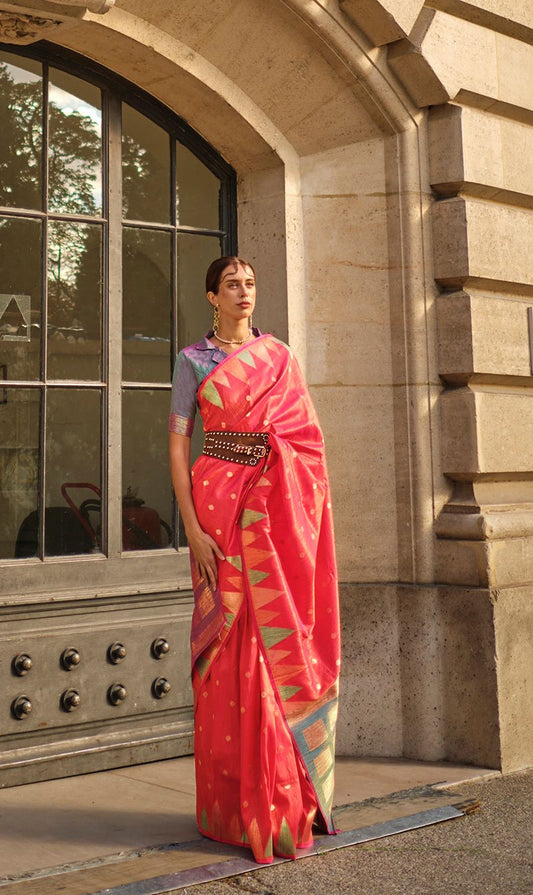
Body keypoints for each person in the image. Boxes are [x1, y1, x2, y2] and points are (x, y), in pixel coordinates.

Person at [169, 256, 340, 864]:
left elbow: (308, 441)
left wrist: (278, 476)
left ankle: (280, 804)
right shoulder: (194, 362)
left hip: (273, 511)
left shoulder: (281, 359)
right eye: (232, 285)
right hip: (216, 507)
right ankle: (232, 805)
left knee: (270, 651)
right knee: (228, 651)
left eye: (250, 284)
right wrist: (191, 527)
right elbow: (178, 443)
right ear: (211, 295)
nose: (244, 292)